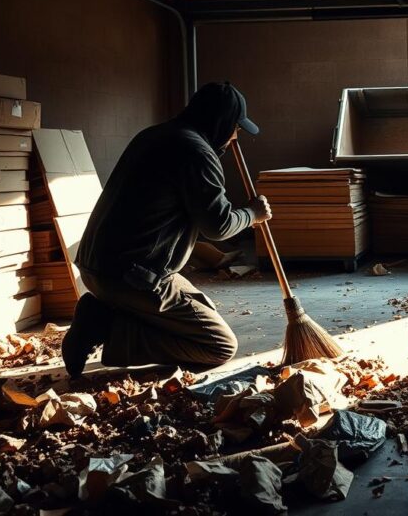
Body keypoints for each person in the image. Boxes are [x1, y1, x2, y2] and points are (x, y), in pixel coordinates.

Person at [62, 82, 272, 378]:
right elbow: (219, 226)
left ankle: (101, 312)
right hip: (132, 276)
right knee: (219, 345)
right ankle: (109, 330)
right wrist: (253, 214)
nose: (235, 137)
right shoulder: (196, 152)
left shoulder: (154, 135)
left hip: (95, 267)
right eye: (236, 129)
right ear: (222, 122)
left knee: (202, 306)